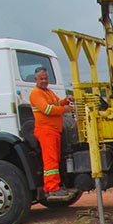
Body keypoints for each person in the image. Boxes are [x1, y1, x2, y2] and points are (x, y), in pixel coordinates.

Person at [30, 67, 74, 199]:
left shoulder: (48, 92)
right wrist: (64, 109)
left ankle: (54, 186)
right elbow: (47, 109)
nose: (44, 81)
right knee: (51, 161)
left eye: (45, 78)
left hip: (53, 131)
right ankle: (52, 188)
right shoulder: (36, 93)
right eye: (41, 78)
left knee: (54, 160)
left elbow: (57, 102)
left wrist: (66, 100)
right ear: (35, 79)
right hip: (46, 131)